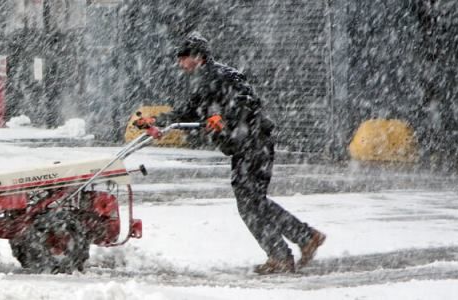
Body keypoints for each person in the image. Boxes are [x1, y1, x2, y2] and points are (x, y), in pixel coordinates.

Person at [134, 31, 326, 274]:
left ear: (197, 56)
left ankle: (291, 248)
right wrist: (157, 120)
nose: (179, 64)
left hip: (255, 143)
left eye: (183, 58)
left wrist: (224, 118)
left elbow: (247, 102)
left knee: (249, 203)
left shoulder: (225, 76)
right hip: (243, 147)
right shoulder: (204, 81)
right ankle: (301, 240)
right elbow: (188, 112)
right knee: (251, 202)